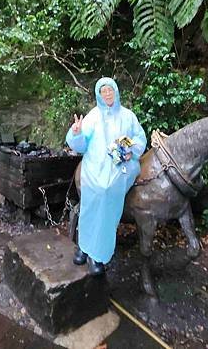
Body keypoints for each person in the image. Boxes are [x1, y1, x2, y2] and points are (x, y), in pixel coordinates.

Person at [66, 78, 147, 275]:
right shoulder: (93, 116)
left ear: (116, 92)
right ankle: (83, 247)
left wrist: (131, 151)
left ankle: (98, 255)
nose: (107, 95)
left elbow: (140, 138)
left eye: (110, 91)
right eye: (103, 92)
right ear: (99, 95)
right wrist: (76, 133)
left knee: (107, 192)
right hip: (95, 165)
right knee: (90, 200)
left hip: (121, 167)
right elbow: (81, 145)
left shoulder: (128, 116)